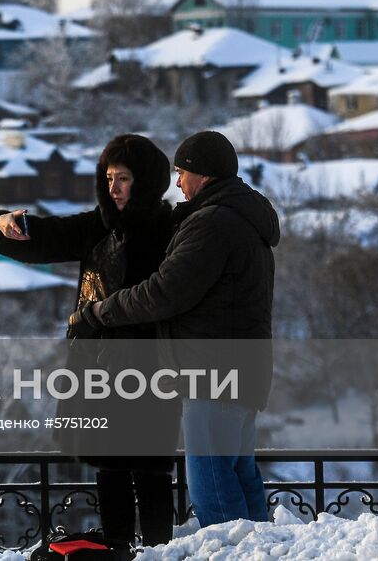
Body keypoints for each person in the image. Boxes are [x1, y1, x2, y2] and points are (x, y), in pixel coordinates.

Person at [73, 130, 279, 529]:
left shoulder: (212, 224)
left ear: (204, 174)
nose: (178, 182)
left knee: (213, 488)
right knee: (241, 477)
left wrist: (98, 312)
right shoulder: (245, 218)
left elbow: (164, 291)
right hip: (244, 372)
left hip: (213, 375)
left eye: (182, 172)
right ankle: (263, 552)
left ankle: (233, 556)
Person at [0, 134, 180, 555]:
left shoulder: (171, 230)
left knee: (150, 471)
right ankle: (115, 551)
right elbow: (41, 236)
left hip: (151, 369)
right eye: (109, 178)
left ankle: (161, 552)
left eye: (124, 178)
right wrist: (3, 223)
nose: (114, 188)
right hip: (99, 369)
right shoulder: (97, 226)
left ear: (145, 181)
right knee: (109, 467)